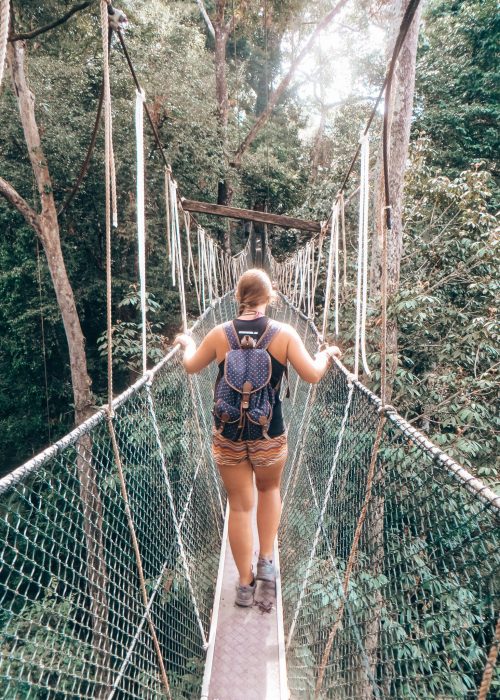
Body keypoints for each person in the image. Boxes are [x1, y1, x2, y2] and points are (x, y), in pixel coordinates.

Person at [175, 269, 341, 606]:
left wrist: (188, 342)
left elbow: (191, 366)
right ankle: (267, 565)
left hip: (228, 434)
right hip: (270, 434)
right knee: (269, 490)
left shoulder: (220, 334)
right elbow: (311, 375)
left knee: (239, 506)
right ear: (270, 298)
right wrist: (325, 355)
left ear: (238, 297)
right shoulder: (285, 334)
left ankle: (245, 586)